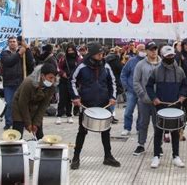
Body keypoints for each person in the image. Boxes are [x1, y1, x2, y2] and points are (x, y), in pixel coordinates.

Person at [70, 42, 120, 170]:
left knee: (106, 131)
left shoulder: (106, 66)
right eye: (99, 54)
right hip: (86, 104)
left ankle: (108, 156)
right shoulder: (82, 66)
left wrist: (113, 97)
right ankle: (76, 157)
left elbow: (113, 82)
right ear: (92, 54)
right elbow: (72, 81)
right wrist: (75, 97)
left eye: (102, 54)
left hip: (104, 103)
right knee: (82, 131)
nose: (102, 56)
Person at [146, 45, 187, 169]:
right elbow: (149, 86)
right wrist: (154, 98)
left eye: (172, 55)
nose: (170, 57)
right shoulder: (156, 70)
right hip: (160, 106)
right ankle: (156, 156)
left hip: (175, 105)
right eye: (168, 56)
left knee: (175, 132)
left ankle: (176, 156)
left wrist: (182, 96)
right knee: (158, 131)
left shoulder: (180, 71)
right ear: (163, 56)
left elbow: (185, 86)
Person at [12, 63, 58, 139]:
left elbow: (43, 106)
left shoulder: (52, 87)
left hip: (35, 107)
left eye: (54, 78)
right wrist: (28, 123)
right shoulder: (29, 83)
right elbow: (22, 103)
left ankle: (40, 149)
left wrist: (36, 123)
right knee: (17, 134)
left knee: (39, 133)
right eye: (50, 78)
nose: (52, 81)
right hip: (19, 106)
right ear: (43, 76)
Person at [132, 41, 161, 156]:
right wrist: (142, 94)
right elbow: (136, 81)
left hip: (158, 101)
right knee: (143, 123)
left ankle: (158, 146)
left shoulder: (162, 64)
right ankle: (141, 144)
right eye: (151, 49)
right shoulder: (140, 64)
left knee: (157, 124)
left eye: (155, 49)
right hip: (144, 101)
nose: (154, 51)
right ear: (147, 51)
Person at [0, 36, 34, 129]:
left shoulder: (22, 52)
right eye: (10, 41)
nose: (12, 43)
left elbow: (31, 64)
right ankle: (8, 123)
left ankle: (20, 123)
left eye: (14, 41)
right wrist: (19, 53)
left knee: (21, 104)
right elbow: (9, 62)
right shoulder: (4, 53)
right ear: (8, 43)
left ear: (17, 43)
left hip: (20, 83)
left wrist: (27, 50)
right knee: (9, 104)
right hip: (9, 84)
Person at [120, 44, 146, 136]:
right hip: (131, 91)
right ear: (137, 50)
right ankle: (127, 128)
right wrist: (126, 86)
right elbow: (123, 74)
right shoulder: (131, 61)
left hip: (143, 92)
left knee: (141, 112)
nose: (143, 51)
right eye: (141, 49)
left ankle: (139, 128)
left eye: (144, 49)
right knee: (128, 111)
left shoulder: (147, 61)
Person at [56, 43, 81, 125]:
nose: (70, 52)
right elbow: (58, 68)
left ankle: (69, 115)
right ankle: (59, 115)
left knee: (70, 99)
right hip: (64, 81)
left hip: (73, 81)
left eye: (72, 50)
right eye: (69, 50)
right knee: (62, 98)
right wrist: (63, 73)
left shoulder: (78, 59)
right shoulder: (64, 58)